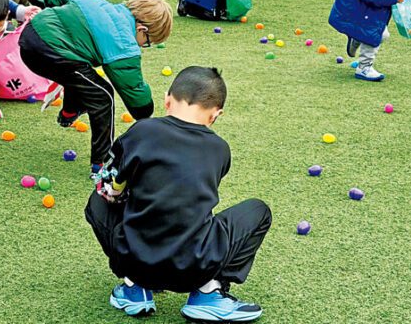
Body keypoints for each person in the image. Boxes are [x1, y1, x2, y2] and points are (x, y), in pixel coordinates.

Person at [85, 66, 272, 322]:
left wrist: (124, 190)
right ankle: (208, 292)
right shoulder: (220, 149)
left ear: (167, 100)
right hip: (195, 267)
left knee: (97, 200)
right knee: (257, 211)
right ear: (215, 115)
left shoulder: (142, 131)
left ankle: (134, 288)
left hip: (135, 260)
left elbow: (108, 189)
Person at [19, 0, 173, 170]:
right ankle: (101, 164)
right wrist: (147, 111)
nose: (143, 46)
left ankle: (69, 112)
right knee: (103, 96)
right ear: (142, 30)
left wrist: (59, 17)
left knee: (83, 75)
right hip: (50, 51)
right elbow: (136, 101)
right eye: (147, 42)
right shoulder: (125, 44)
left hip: (30, 35)